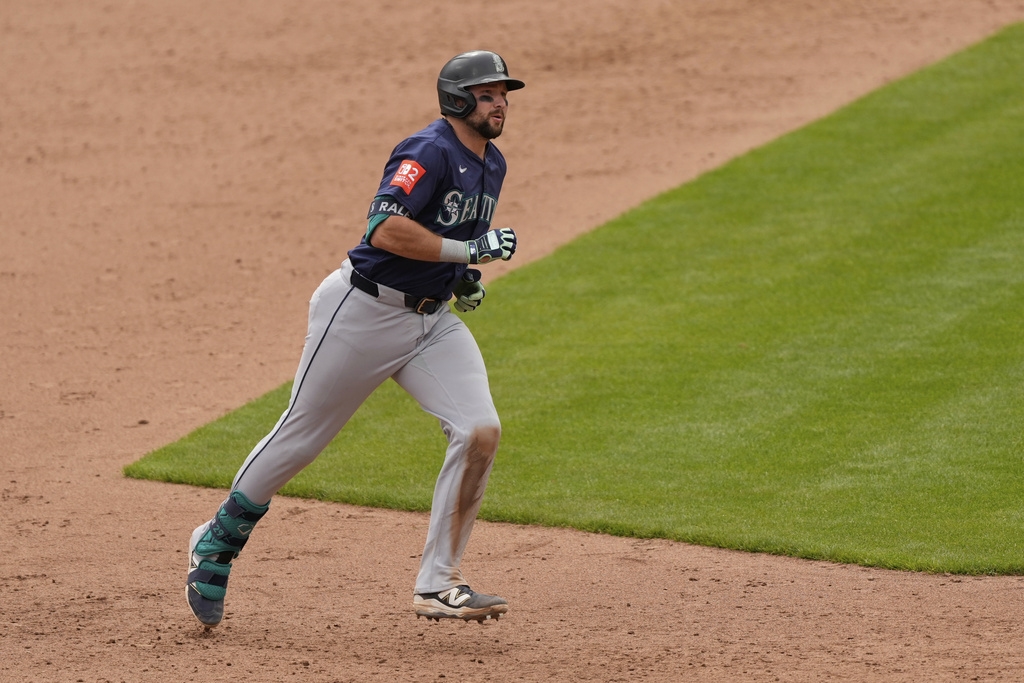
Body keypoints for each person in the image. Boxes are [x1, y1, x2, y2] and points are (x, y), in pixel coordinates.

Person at [185, 50, 526, 627]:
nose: (501, 104)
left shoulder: (493, 164)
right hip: (362, 311)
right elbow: (386, 228)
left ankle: (439, 583)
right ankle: (216, 540)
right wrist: (467, 252)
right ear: (458, 99)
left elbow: (449, 231)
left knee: (479, 429)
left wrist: (463, 276)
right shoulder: (427, 151)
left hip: (431, 322)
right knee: (302, 437)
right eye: (489, 94)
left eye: (504, 94)